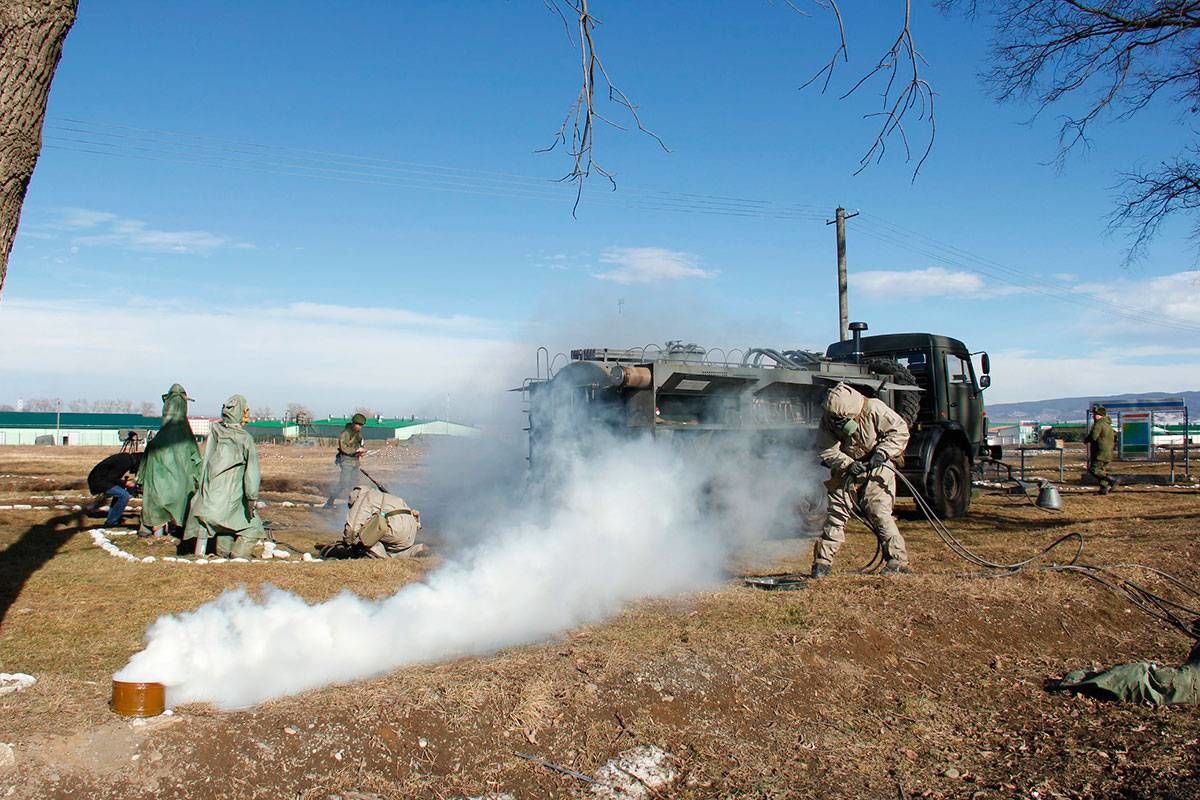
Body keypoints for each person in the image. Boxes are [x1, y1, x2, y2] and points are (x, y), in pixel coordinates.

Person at [811, 382, 911, 578]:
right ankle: (822, 563)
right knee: (836, 514)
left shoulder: (874, 408)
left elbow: (900, 431)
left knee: (878, 510)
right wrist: (847, 464)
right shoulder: (829, 419)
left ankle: (897, 561)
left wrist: (882, 453)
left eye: (843, 420)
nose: (838, 423)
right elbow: (825, 450)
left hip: (878, 466)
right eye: (835, 419)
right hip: (847, 469)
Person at [183, 394, 266, 558]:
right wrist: (251, 498)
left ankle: (222, 552)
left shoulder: (215, 431)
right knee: (253, 527)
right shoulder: (245, 439)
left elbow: (203, 461)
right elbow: (252, 473)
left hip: (206, 501)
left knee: (227, 523)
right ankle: (238, 554)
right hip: (226, 501)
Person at [136, 383, 202, 537]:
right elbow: (196, 460)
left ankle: (153, 529)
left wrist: (140, 477)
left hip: (160, 481)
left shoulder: (163, 435)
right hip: (179, 482)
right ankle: (171, 528)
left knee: (157, 500)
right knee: (180, 498)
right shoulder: (185, 436)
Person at [86, 451, 142, 528]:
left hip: (99, 479)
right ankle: (111, 522)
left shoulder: (126, 459)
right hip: (98, 481)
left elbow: (113, 476)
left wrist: (124, 483)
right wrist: (126, 484)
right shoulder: (125, 462)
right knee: (124, 495)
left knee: (120, 493)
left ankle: (113, 518)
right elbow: (112, 478)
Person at [324, 412, 367, 508]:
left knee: (355, 484)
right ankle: (330, 501)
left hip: (355, 461)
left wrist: (362, 451)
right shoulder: (345, 434)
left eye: (361, 425)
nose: (360, 427)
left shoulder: (358, 434)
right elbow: (344, 448)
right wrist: (356, 450)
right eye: (358, 424)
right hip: (346, 461)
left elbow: (361, 443)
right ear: (353, 423)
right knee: (344, 483)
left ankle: (354, 504)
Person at [1086, 404, 1117, 494]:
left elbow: (1093, 436)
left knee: (1094, 470)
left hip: (1099, 452)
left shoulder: (1099, 424)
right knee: (1101, 469)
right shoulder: (1109, 425)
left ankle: (1111, 479)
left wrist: (1086, 440)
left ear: (1100, 415)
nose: (1094, 417)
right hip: (1108, 452)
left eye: (1095, 414)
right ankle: (1104, 489)